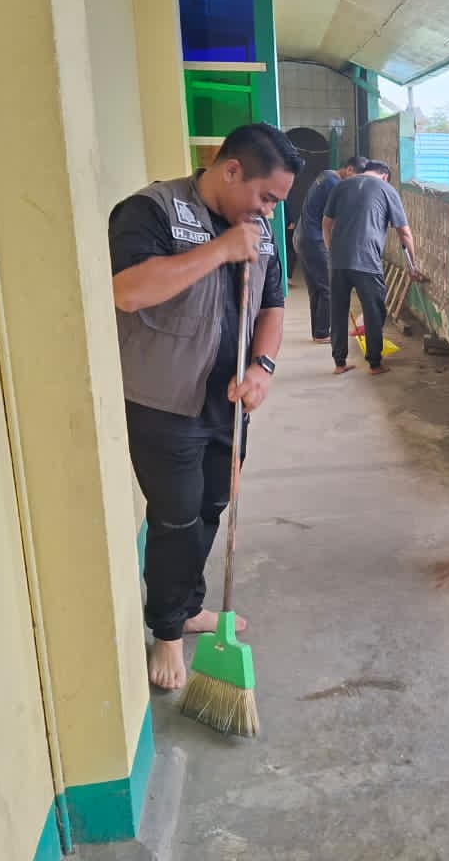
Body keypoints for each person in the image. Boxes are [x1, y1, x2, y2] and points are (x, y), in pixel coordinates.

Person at [109, 122, 303, 690]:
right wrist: (220, 250)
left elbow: (272, 305)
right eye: (266, 196)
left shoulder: (260, 231)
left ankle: (189, 604)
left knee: (214, 502)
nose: (269, 211)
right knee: (176, 515)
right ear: (231, 169)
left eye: (277, 202)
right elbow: (127, 291)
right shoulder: (152, 211)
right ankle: (167, 631)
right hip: (163, 402)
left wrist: (262, 367)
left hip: (228, 402)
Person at [323, 160, 416, 376]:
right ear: (384, 176)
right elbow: (404, 233)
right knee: (374, 311)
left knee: (338, 311)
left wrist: (331, 251)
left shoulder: (341, 186)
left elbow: (326, 223)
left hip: (337, 262)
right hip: (367, 261)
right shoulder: (387, 190)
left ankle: (339, 363)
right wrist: (413, 266)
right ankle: (375, 363)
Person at [296, 156, 367, 342]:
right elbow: (332, 219)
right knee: (328, 287)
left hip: (303, 237)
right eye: (357, 177)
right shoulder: (334, 185)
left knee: (317, 289)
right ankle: (322, 332)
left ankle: (319, 332)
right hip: (314, 240)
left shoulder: (326, 175)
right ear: (349, 170)